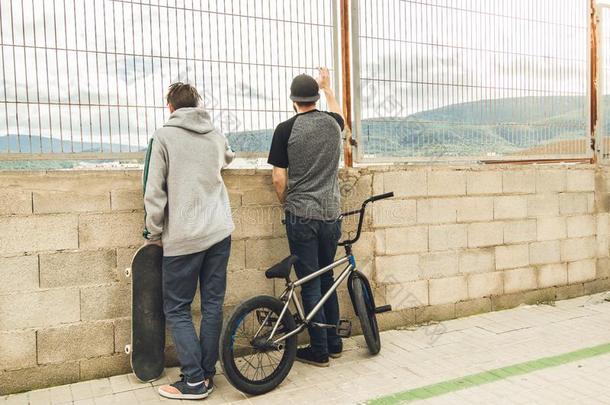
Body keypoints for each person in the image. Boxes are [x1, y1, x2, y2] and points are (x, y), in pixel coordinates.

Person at [144, 82, 235, 400]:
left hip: (183, 238)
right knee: (212, 306)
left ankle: (194, 381)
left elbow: (154, 191)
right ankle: (208, 375)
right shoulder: (214, 133)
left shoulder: (163, 136)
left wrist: (153, 231)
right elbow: (228, 157)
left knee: (178, 308)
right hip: (219, 232)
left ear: (170, 107)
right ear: (196, 105)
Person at [267, 67, 345, 367]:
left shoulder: (285, 130)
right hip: (330, 214)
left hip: (302, 215)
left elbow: (278, 178)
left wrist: (287, 204)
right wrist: (329, 88)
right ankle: (334, 342)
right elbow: (340, 116)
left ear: (293, 100)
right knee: (327, 277)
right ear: (315, 98)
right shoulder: (332, 124)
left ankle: (319, 349)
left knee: (309, 281)